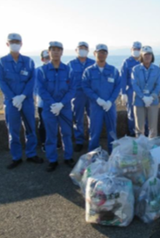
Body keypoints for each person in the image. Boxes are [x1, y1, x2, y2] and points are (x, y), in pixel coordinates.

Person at [0, 33, 43, 169]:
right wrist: (13, 97)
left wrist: (22, 96)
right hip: (11, 102)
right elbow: (1, 82)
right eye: (12, 42)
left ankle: (31, 154)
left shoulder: (28, 61)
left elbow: (32, 80)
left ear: (21, 43)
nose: (14, 44)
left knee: (30, 129)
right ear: (7, 44)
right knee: (13, 131)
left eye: (17, 41)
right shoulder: (1, 62)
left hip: (27, 101)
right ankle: (16, 157)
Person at [37, 41, 76, 172]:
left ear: (62, 52)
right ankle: (52, 160)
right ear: (49, 52)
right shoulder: (42, 71)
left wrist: (62, 103)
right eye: (53, 50)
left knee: (66, 133)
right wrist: (53, 103)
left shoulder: (69, 70)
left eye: (58, 50)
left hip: (64, 107)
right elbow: (40, 89)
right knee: (50, 135)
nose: (56, 52)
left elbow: (72, 89)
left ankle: (68, 157)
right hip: (49, 108)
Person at [82, 44, 121, 153]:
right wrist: (97, 99)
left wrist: (110, 101)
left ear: (107, 54)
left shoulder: (113, 70)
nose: (102, 54)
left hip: (110, 106)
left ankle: (113, 154)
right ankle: (93, 155)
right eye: (99, 52)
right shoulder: (89, 71)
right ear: (95, 53)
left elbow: (118, 86)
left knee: (112, 131)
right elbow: (85, 86)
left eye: (104, 52)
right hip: (95, 106)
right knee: (94, 132)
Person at [67, 42, 95, 152]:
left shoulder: (93, 63)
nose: (82, 50)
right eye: (80, 48)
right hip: (77, 95)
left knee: (92, 118)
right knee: (77, 118)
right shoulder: (70, 64)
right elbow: (67, 81)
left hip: (90, 95)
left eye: (84, 48)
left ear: (88, 50)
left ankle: (92, 140)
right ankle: (79, 141)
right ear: (76, 50)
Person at [131, 46, 160, 138]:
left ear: (152, 56)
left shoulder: (157, 69)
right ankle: (141, 148)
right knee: (139, 128)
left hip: (153, 101)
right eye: (145, 54)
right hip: (139, 101)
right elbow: (134, 84)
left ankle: (152, 148)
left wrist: (152, 97)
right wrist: (143, 97)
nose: (147, 56)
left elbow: (159, 84)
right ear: (141, 56)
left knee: (153, 128)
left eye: (149, 54)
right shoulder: (135, 69)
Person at [120, 41, 142, 136]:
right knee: (131, 113)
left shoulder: (144, 61)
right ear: (131, 50)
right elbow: (123, 78)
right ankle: (132, 132)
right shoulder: (127, 62)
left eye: (138, 49)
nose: (136, 51)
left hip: (143, 91)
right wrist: (123, 93)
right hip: (131, 91)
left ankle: (143, 133)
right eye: (134, 49)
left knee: (143, 113)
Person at [34, 50, 49, 152]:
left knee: (54, 124)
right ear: (42, 59)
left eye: (49, 57)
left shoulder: (59, 69)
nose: (48, 59)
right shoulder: (37, 71)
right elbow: (36, 89)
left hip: (56, 104)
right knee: (43, 124)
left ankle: (53, 141)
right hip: (42, 103)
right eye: (46, 58)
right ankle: (43, 143)